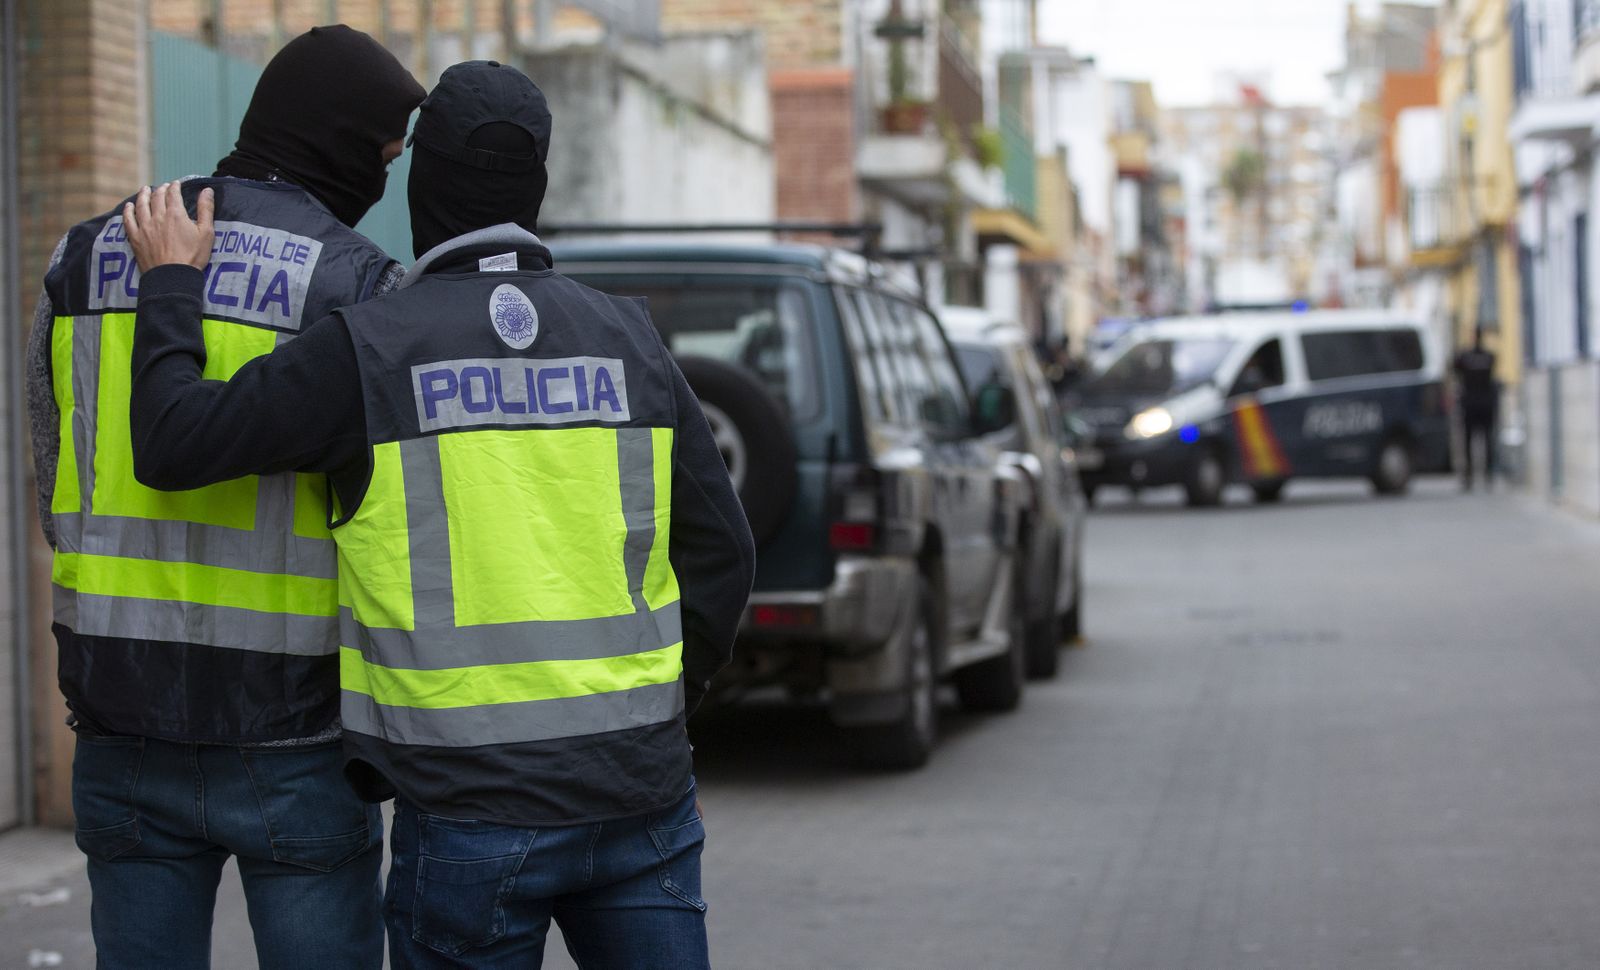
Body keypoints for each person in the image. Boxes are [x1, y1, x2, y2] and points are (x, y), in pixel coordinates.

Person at [124, 61, 755, 969]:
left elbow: (177, 443)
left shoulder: (369, 351)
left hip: (468, 817)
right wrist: (657, 709)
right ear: (535, 183)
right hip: (639, 797)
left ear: (422, 184)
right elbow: (724, 556)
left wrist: (173, 287)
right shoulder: (631, 342)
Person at [26, 26, 423, 969]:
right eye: (381, 153)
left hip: (118, 714)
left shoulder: (83, 260)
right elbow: (386, 522)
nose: (383, 176)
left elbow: (54, 482)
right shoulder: (360, 287)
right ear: (338, 140)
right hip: (293, 733)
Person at [1454, 328, 1499, 490]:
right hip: (1485, 404)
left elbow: (1454, 366)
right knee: (1487, 440)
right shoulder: (1489, 357)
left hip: (1470, 405)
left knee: (1468, 441)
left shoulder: (1465, 357)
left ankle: (1468, 476)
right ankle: (1488, 475)